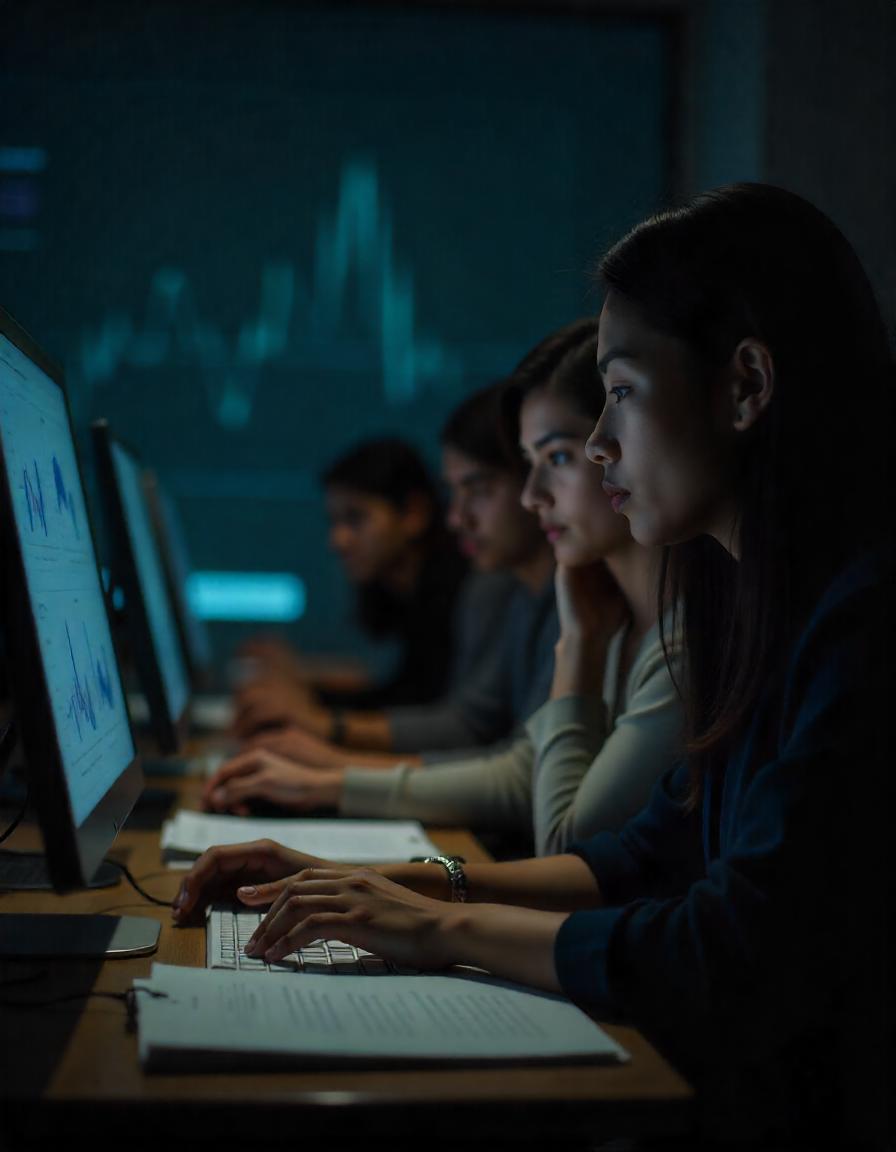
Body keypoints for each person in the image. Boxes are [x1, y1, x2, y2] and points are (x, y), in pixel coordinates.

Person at [174, 185, 894, 1147]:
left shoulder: (862, 624)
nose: (598, 447)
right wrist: (377, 884)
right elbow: (640, 857)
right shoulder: (758, 613)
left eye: (621, 393)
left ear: (746, 385)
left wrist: (435, 928)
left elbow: (732, 951)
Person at [201, 319, 685, 860]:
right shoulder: (593, 612)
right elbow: (525, 766)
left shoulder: (662, 640)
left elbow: (554, 826)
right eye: (532, 464)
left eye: (557, 459)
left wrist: (332, 765)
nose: (532, 497)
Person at [209, 379, 559, 775]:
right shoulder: (524, 597)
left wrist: (329, 747)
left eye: (355, 519)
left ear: (413, 514)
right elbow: (445, 709)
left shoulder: (487, 588)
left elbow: (468, 731)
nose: (457, 519)